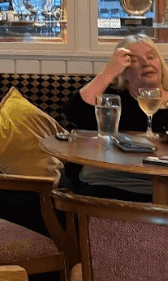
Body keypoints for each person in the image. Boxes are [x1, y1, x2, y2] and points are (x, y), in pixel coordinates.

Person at [64, 34, 168, 200]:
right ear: (123, 71)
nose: (146, 63)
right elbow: (75, 112)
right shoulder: (112, 99)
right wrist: (109, 72)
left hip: (160, 182)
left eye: (151, 57)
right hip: (111, 181)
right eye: (135, 60)